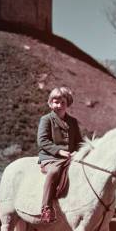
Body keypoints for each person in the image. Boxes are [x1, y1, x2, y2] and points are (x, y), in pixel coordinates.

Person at [37, 87, 83, 223]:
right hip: (51, 158)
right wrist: (59, 151)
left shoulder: (73, 121)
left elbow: (79, 142)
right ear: (50, 103)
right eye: (56, 102)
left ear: (67, 103)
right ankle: (46, 207)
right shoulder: (46, 119)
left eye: (62, 102)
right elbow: (42, 140)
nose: (59, 105)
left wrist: (77, 151)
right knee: (54, 171)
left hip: (70, 158)